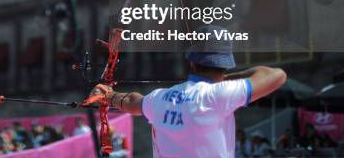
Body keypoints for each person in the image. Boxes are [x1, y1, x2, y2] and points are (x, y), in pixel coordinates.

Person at [87, 24, 287, 158]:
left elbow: (132, 101)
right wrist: (227, 80)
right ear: (226, 65)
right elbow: (276, 75)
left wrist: (108, 95)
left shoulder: (159, 98)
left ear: (191, 62)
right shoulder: (219, 95)